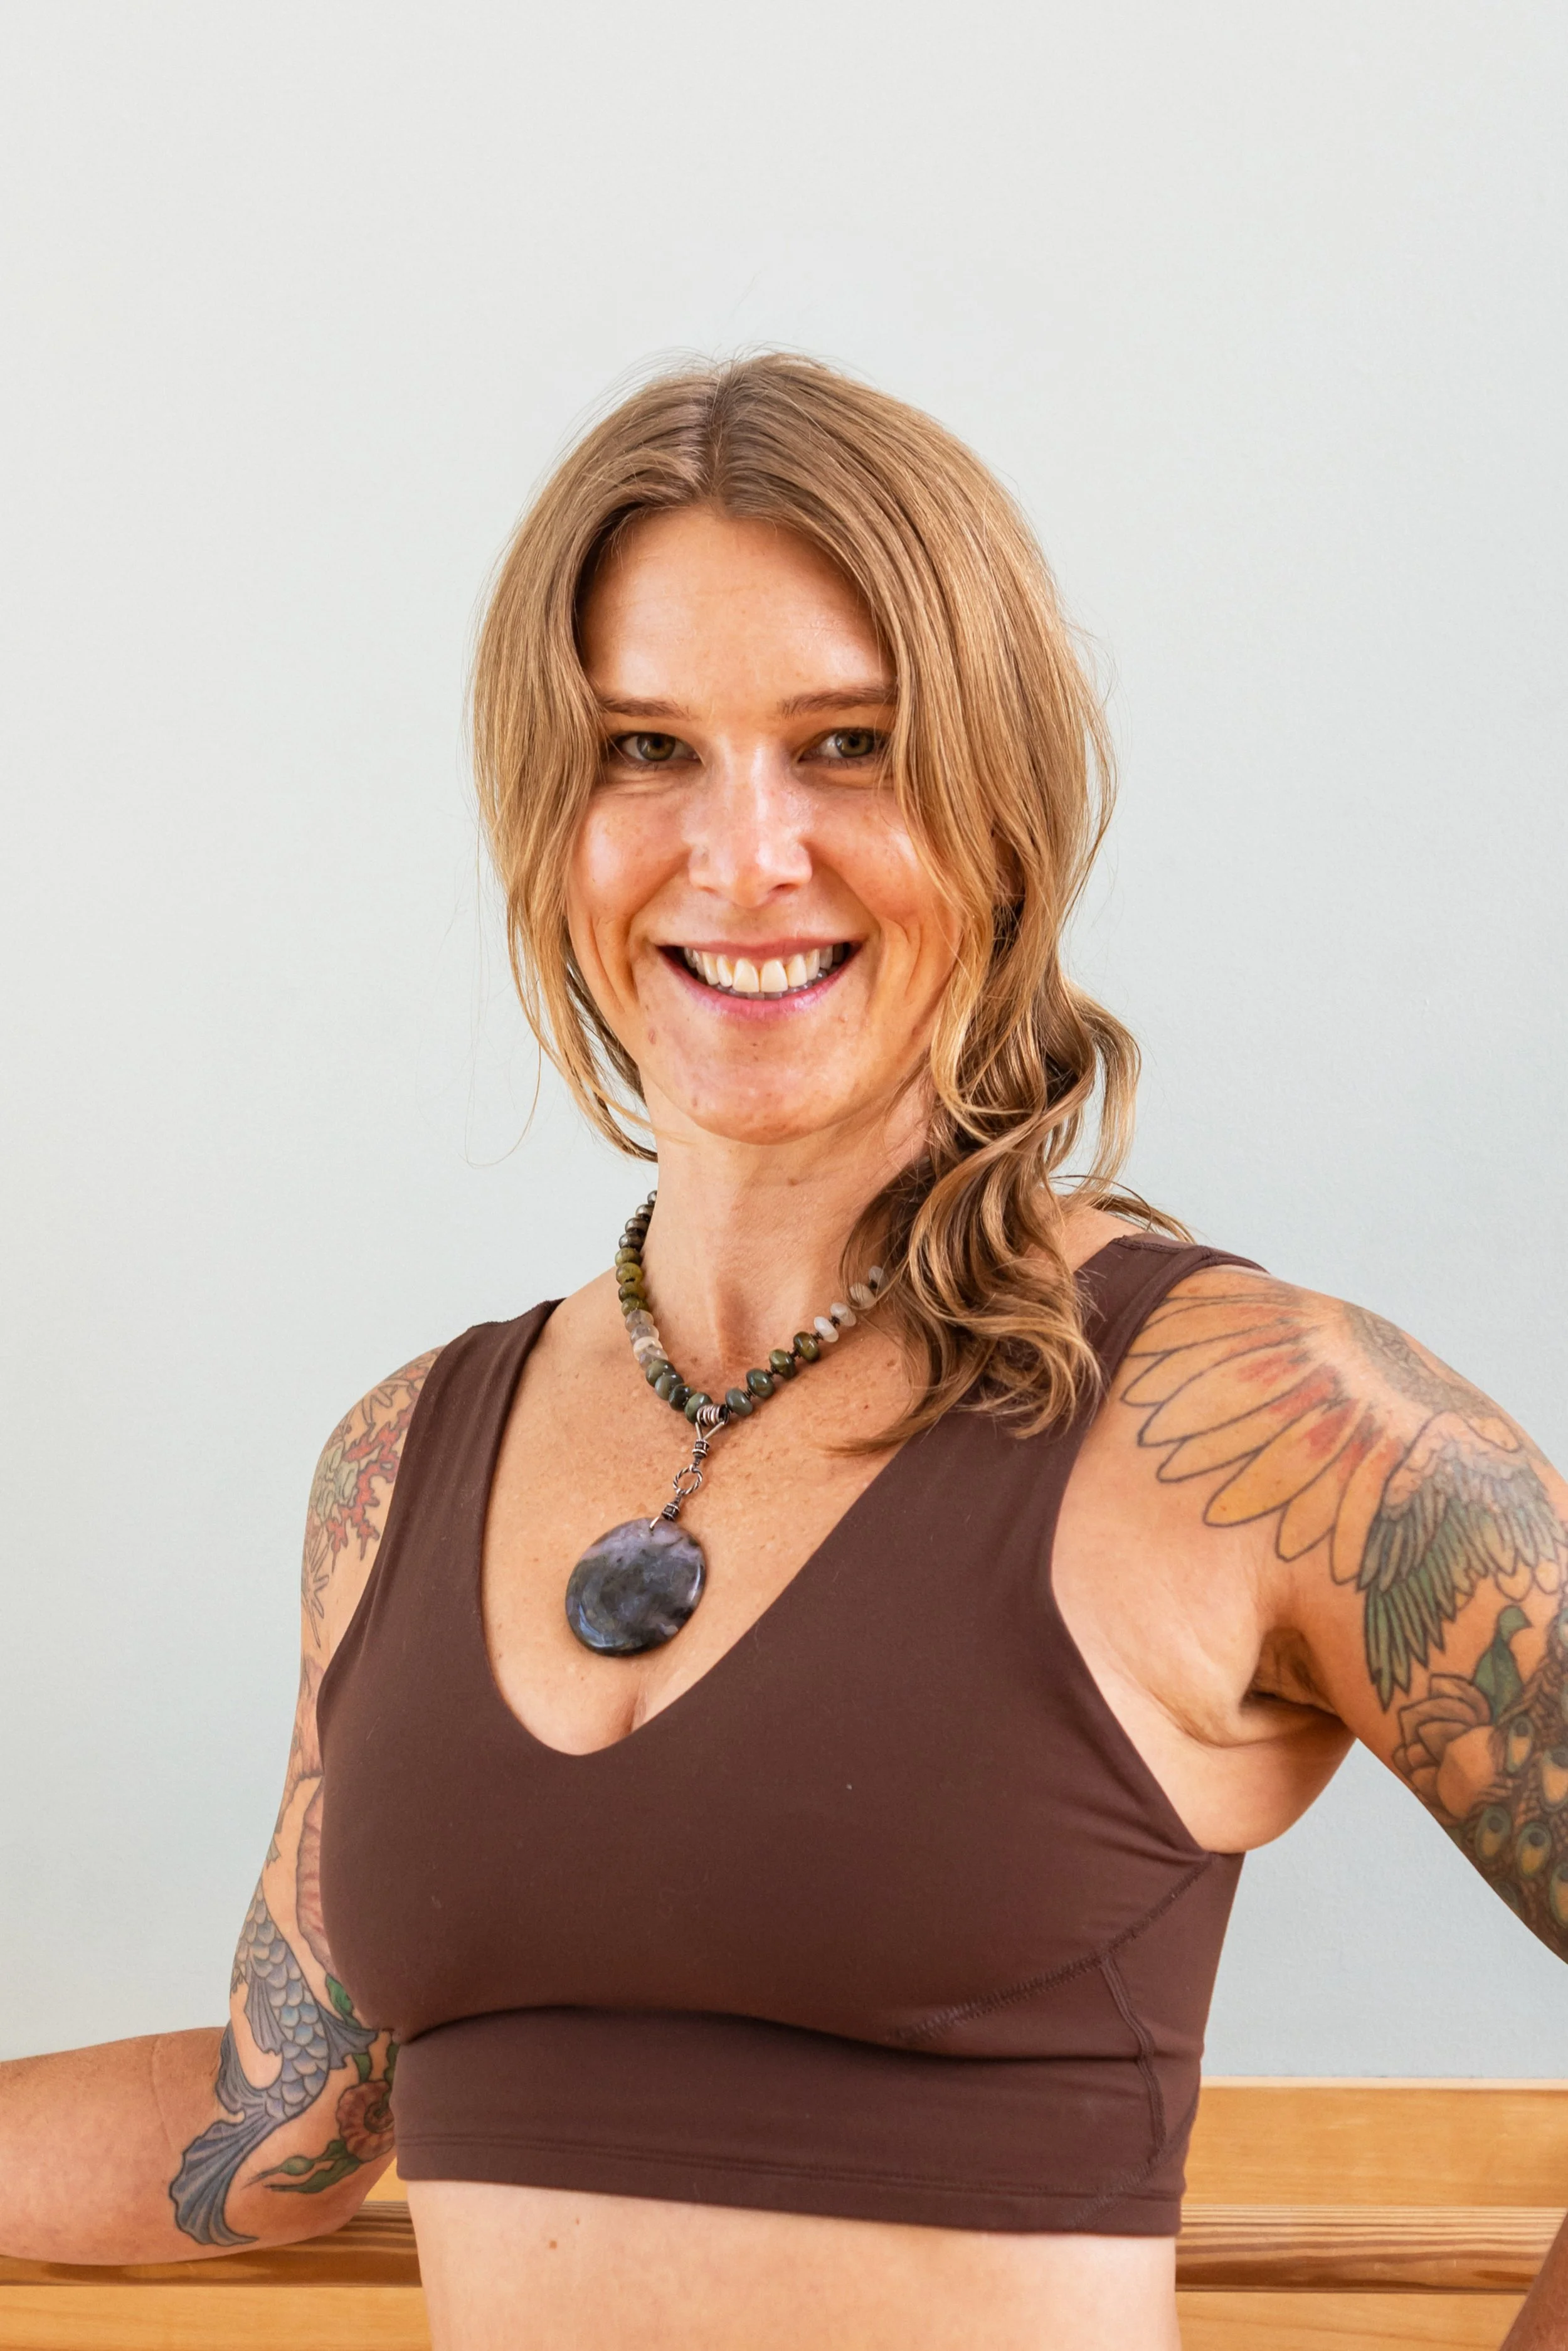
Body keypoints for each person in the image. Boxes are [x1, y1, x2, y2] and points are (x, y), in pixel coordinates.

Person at [3, 354, 1565, 2351]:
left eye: (846, 744)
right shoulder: (400, 1461)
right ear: (546, 811)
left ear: (997, 799)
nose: (741, 856)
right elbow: (271, 2130)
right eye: (644, 746)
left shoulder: (1255, 1420)